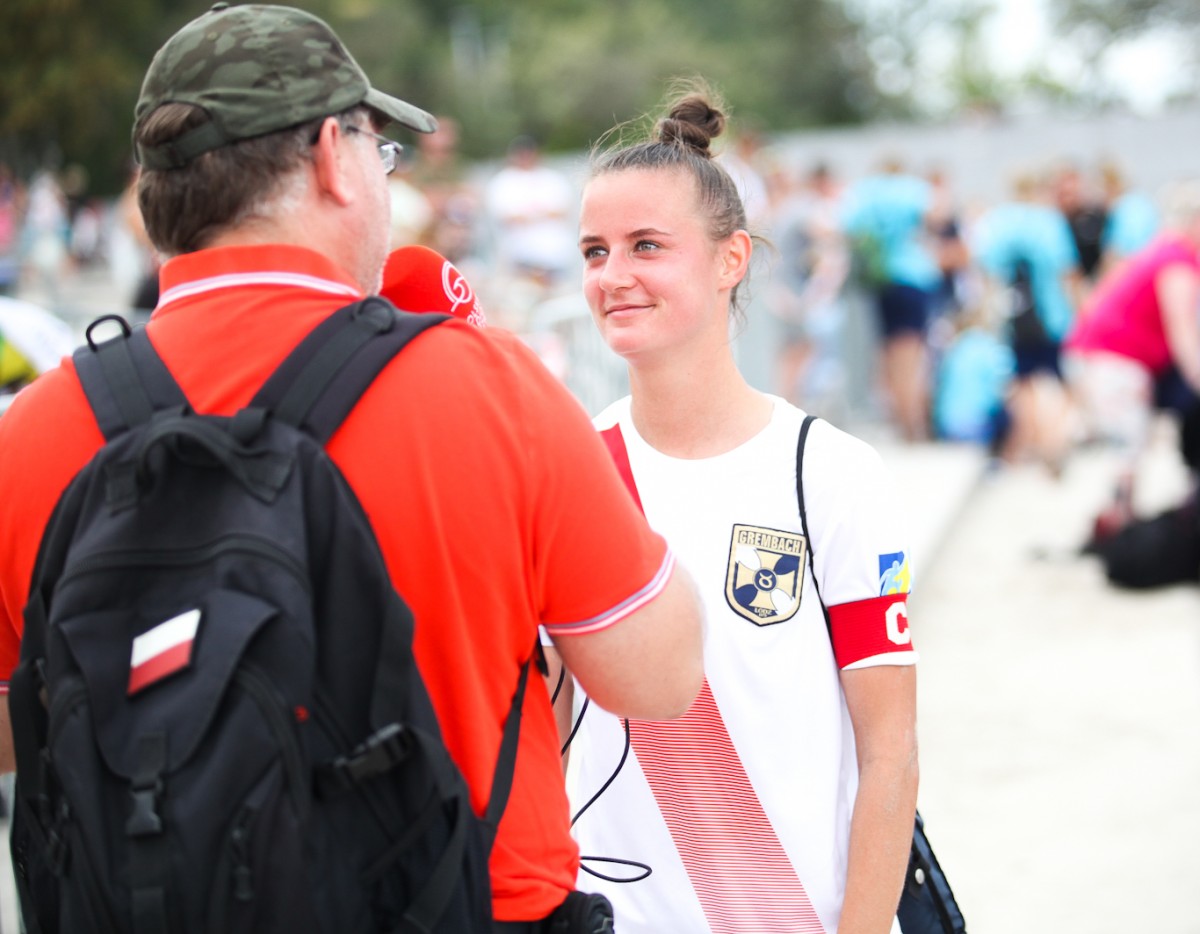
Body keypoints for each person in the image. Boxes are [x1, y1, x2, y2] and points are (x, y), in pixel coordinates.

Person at [0, 5, 706, 930]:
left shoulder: (38, 429)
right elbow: (657, 677)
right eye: (382, 153)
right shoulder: (486, 386)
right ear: (335, 156)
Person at [563, 83, 918, 934]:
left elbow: (890, 754)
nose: (614, 277)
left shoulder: (831, 473)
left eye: (647, 246)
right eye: (593, 252)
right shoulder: (567, 470)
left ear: (733, 259)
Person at [1065, 179, 1200, 540]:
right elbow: (1183, 334)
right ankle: (1117, 527)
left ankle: (1120, 522)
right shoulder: (1178, 262)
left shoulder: (1161, 251)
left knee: (1129, 446)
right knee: (1129, 445)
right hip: (1115, 360)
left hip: (1102, 355)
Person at [971, 171, 1082, 472]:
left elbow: (985, 272)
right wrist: (1080, 308)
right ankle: (1054, 439)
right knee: (1066, 384)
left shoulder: (997, 223)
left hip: (1013, 318)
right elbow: (1066, 270)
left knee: (1022, 385)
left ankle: (1032, 440)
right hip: (1053, 316)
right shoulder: (1048, 221)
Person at [841, 156, 943, 441]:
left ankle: (900, 419)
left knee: (889, 355)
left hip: (881, 280)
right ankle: (913, 424)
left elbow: (847, 227)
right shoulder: (912, 189)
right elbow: (938, 214)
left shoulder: (865, 192)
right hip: (913, 276)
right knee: (911, 357)